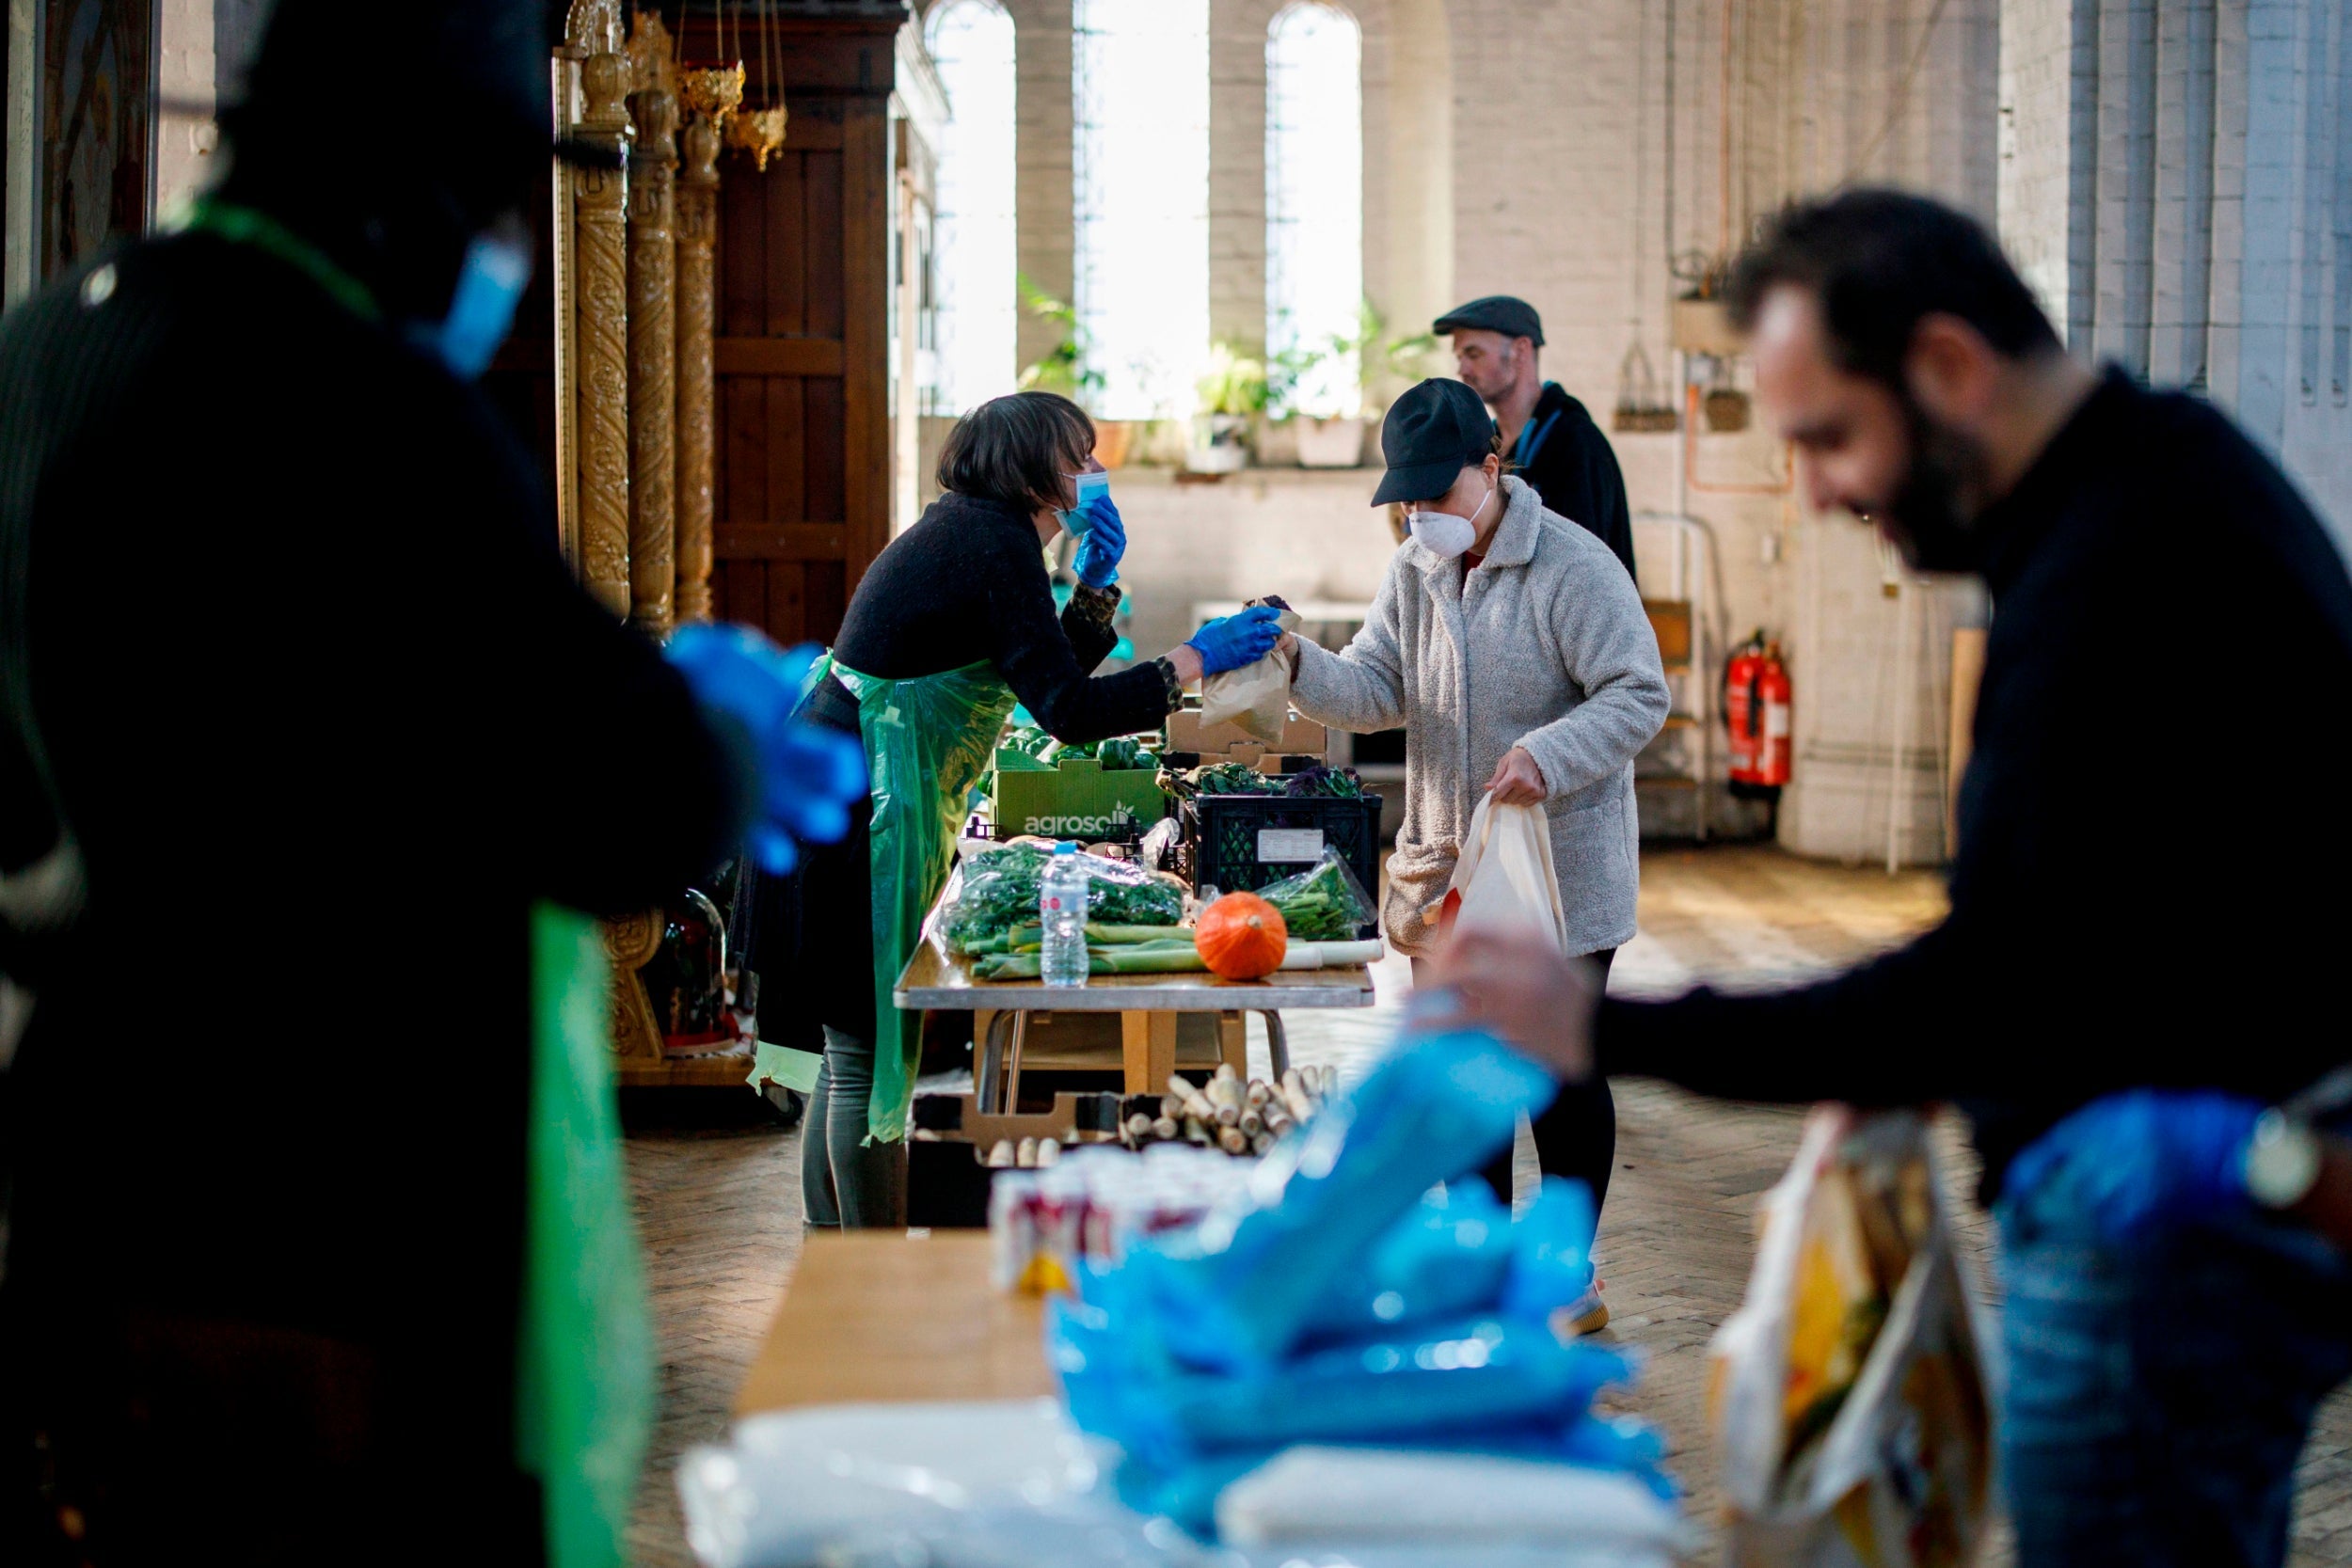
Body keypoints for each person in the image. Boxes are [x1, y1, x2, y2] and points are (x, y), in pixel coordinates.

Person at [0, 3, 866, 1563]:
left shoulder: (48, 340)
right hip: (336, 1203)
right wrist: (718, 733)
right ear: (413, 193)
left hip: (91, 1166)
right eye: (490, 212)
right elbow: (622, 806)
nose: (500, 255)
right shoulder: (355, 396)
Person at [1427, 189, 2352, 1568]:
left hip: (2173, 1242)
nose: (1817, 490)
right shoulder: (2156, 480)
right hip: (2184, 1199)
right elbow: (2116, 918)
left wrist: (1597, 1023)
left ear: (1950, 370)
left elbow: (1992, 981)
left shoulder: (2125, 558)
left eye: (1830, 437)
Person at [761, 390, 1283, 1230]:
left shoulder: (979, 531)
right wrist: (1192, 658)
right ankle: (865, 1274)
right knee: (862, 1054)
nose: (1093, 470)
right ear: (1035, 467)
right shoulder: (991, 541)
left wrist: (1093, 587)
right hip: (856, 804)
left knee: (849, 1051)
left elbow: (1037, 681)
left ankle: (840, 1264)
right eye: (1080, 455)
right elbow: (1069, 714)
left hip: (837, 784)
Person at [1278, 377, 1668, 1320]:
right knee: (1461, 1080)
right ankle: (1479, 1268)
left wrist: (1548, 750)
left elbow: (1637, 693)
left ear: (1491, 467)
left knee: (1557, 1079)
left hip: (1557, 875)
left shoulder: (1572, 566)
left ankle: (1568, 1270)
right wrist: (1295, 660)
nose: (1419, 516)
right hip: (1448, 871)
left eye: (1436, 494)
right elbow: (1376, 688)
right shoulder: (1413, 569)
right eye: (1405, 498)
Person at [1437, 295, 1636, 577]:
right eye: (1460, 357)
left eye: (1474, 354)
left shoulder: (1575, 444)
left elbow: (1584, 568)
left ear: (1520, 350)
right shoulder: (1481, 447)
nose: (1462, 370)